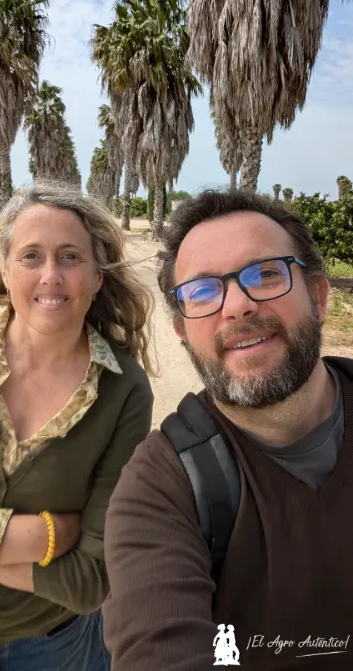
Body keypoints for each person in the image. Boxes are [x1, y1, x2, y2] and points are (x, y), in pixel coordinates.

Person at [0, 180, 154, 671]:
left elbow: (88, 580)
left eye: (70, 257)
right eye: (31, 256)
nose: (51, 276)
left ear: (98, 276)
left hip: (50, 646)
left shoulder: (125, 392)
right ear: (5, 267)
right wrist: (45, 536)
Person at [103, 188, 353, 670]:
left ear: (319, 297)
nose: (237, 306)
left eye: (265, 274)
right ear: (182, 331)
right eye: (202, 291)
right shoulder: (159, 489)